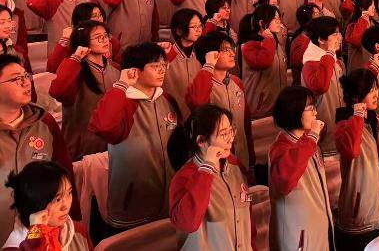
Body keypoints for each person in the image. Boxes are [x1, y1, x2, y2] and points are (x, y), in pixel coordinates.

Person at [87, 43, 178, 232]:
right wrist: (121, 85)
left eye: (164, 65)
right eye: (155, 66)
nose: (162, 71)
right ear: (134, 71)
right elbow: (103, 127)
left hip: (168, 200)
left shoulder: (166, 100)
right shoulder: (123, 102)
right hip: (133, 205)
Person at [0, 55, 75, 243]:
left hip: (41, 233)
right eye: (17, 79)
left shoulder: (45, 123)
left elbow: (64, 173)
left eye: (26, 76)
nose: (27, 83)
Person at [167, 105, 255, 251]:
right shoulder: (184, 178)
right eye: (223, 134)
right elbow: (188, 223)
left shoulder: (235, 166)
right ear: (201, 141)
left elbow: (248, 220)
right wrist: (207, 168)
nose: (231, 139)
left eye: (231, 131)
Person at [334, 69, 379, 250]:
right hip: (359, 217)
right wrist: (357, 116)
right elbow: (352, 151)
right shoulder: (343, 125)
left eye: (376, 88)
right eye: (370, 90)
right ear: (356, 96)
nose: (376, 94)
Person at [269, 86, 334, 251]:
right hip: (298, 238)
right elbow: (285, 182)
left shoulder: (308, 142)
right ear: (294, 111)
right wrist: (312, 137)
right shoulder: (281, 147)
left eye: (314, 108)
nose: (315, 113)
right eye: (310, 108)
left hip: (318, 229)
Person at [50, 21, 120, 160]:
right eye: (98, 37)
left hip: (113, 146)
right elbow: (58, 91)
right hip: (82, 148)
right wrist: (75, 57)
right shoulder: (74, 68)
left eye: (105, 36)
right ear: (83, 41)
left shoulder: (115, 69)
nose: (104, 40)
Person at [187, 31, 254, 174]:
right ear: (210, 55)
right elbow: (197, 102)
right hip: (217, 161)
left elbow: (245, 123)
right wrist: (209, 65)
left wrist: (251, 156)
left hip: (242, 155)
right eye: (225, 50)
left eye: (232, 49)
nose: (231, 54)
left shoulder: (236, 82)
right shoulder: (202, 84)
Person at [3, 161, 90, 251]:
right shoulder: (14, 247)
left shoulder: (77, 231)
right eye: (57, 199)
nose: (65, 206)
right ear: (35, 203)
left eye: (69, 193)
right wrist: (36, 236)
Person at [301, 17, 344, 157]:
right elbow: (321, 86)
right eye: (335, 34)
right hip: (325, 134)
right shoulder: (310, 63)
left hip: (339, 127)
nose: (340, 37)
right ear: (321, 40)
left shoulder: (333, 59)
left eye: (339, 33)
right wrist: (330, 53)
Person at [239, 5, 289, 119]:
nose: (278, 22)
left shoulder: (274, 42)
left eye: (279, 18)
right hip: (260, 109)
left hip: (278, 106)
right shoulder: (249, 45)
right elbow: (264, 62)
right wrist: (269, 40)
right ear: (262, 23)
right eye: (274, 19)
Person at [163, 9, 204, 119]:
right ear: (179, 31)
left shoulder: (200, 55)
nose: (198, 30)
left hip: (198, 117)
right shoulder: (167, 56)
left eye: (200, 26)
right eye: (193, 27)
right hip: (172, 116)